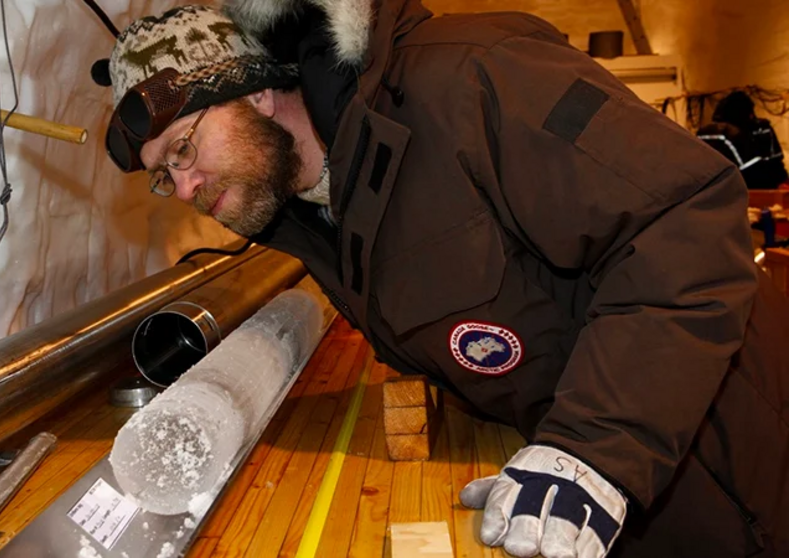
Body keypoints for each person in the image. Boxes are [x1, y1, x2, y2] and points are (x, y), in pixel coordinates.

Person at [97, 2, 789, 556]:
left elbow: (683, 217)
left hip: (746, 475)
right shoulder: (315, 219)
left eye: (184, 148)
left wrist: (593, 448)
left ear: (260, 90)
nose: (183, 186)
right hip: (631, 504)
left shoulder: (468, 80)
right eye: (164, 175)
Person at [697, 90, 789, 190]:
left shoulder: (706, 134)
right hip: (748, 189)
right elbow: (752, 171)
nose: (752, 116)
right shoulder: (731, 134)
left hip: (726, 190)